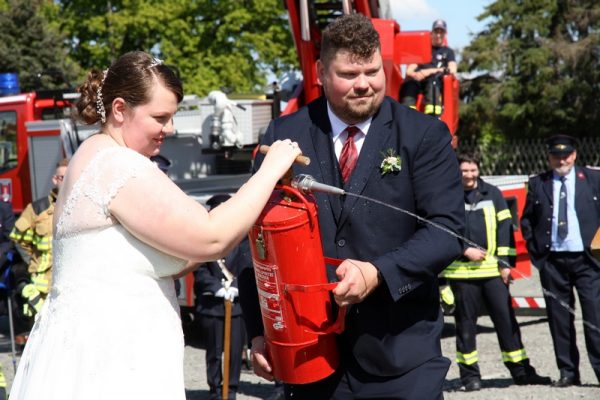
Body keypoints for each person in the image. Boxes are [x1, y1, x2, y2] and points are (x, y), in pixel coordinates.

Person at [8, 51, 301, 400]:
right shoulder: (116, 164)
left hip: (98, 354)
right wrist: (269, 170)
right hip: (111, 364)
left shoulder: (92, 154)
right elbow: (211, 238)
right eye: (160, 117)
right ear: (120, 109)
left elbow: (175, 252)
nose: (171, 128)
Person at [239, 14, 464, 399]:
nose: (363, 84)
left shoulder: (423, 134)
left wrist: (378, 272)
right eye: (348, 74)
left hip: (401, 357)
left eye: (372, 71)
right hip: (311, 357)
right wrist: (261, 330)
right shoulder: (284, 134)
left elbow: (447, 232)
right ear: (321, 71)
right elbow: (253, 237)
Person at [440, 152, 551, 391]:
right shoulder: (447, 197)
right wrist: (464, 250)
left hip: (492, 273)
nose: (469, 175)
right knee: (466, 329)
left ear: (478, 170)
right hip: (461, 275)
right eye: (464, 171)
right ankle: (470, 378)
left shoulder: (493, 194)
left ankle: (521, 372)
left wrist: (504, 264)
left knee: (507, 323)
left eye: (472, 170)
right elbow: (442, 231)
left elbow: (505, 231)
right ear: (457, 172)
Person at [521, 134, 600, 388]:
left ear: (575, 155)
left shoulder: (592, 179)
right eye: (556, 155)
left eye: (566, 155)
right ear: (549, 157)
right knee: (559, 319)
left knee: (595, 318)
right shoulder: (538, 183)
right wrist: (537, 256)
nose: (561, 160)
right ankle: (568, 371)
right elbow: (527, 220)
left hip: (588, 260)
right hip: (553, 261)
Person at [194, 194, 247, 400]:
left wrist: (236, 286)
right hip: (213, 306)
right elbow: (198, 270)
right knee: (215, 353)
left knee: (234, 353)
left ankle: (230, 391)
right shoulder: (203, 239)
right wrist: (216, 287)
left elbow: (247, 266)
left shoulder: (241, 240)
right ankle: (216, 391)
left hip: (237, 307)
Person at [10, 159, 68, 318]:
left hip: (73, 281)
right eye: (63, 177)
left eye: (70, 176)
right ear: (55, 179)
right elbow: (19, 241)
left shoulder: (83, 207)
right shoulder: (37, 209)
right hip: (44, 286)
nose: (67, 181)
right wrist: (34, 262)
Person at [399, 19, 457, 116]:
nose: (438, 35)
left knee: (433, 82)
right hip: (419, 81)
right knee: (409, 83)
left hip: (435, 83)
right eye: (436, 31)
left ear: (445, 34)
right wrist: (416, 74)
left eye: (441, 32)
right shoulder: (423, 49)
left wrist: (429, 71)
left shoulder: (448, 52)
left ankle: (433, 116)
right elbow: (409, 70)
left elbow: (452, 70)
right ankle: (406, 114)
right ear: (432, 33)